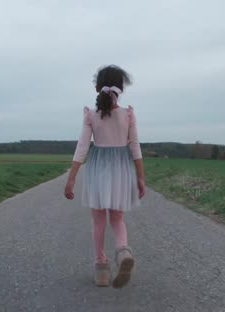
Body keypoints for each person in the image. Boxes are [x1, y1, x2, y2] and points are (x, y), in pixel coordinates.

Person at [64, 65, 146, 288]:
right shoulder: (128, 115)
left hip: (98, 169)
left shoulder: (91, 115)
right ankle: (123, 253)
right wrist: (140, 177)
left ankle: (101, 268)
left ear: (98, 87)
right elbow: (135, 147)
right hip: (121, 169)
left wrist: (72, 177)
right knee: (117, 219)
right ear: (121, 88)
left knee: (98, 221)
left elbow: (82, 147)